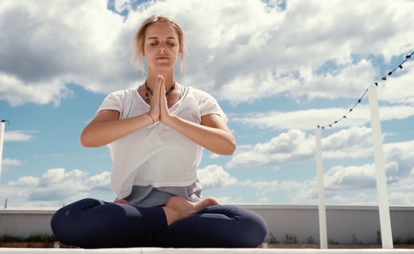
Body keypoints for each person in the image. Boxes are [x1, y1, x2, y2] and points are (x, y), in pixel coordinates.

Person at [50, 15, 268, 248]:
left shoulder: (199, 100)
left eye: (170, 43)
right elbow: (89, 138)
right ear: (143, 50)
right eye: (153, 43)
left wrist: (170, 119)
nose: (162, 48)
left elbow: (227, 145)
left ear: (179, 50)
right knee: (65, 221)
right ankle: (171, 218)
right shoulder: (121, 100)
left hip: (185, 201)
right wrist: (149, 117)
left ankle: (145, 231)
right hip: (133, 208)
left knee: (251, 227)